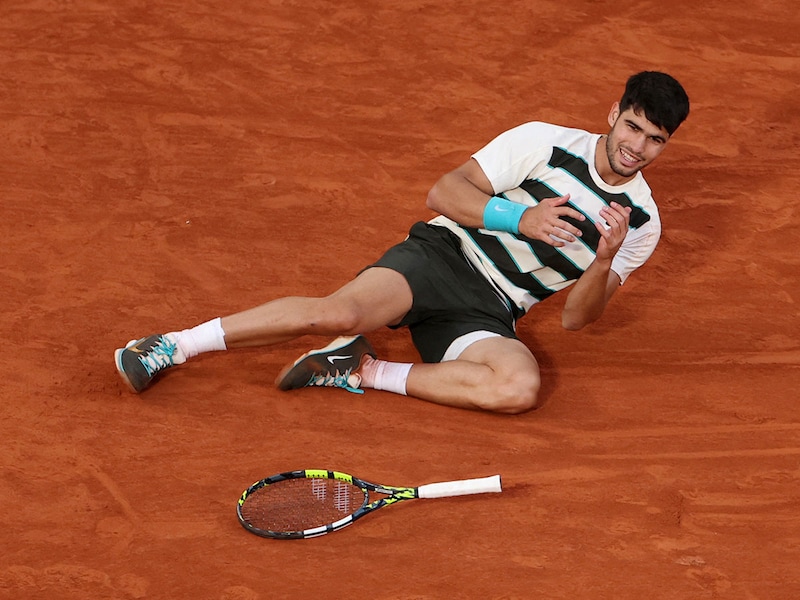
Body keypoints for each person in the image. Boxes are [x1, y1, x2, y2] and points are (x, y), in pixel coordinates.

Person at [115, 71, 690, 414]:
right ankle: (171, 345)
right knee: (335, 310)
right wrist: (521, 220)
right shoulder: (545, 142)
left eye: (654, 140)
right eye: (632, 127)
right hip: (442, 258)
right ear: (613, 114)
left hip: (493, 311)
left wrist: (605, 259)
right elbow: (442, 192)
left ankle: (358, 370)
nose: (636, 147)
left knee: (518, 388)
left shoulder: (642, 223)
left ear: (666, 146)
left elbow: (575, 321)